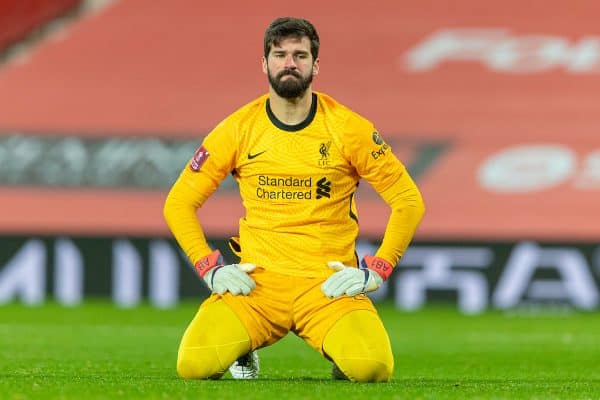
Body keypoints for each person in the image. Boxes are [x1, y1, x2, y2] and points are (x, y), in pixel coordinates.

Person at [163, 16, 425, 382]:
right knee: (194, 366)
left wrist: (377, 269)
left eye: (300, 55)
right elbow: (178, 203)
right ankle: (245, 348)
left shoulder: (348, 128)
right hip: (257, 286)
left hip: (326, 286)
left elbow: (408, 201)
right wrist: (210, 268)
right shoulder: (238, 128)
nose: (290, 63)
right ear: (265, 64)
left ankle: (339, 350)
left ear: (316, 65)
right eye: (280, 54)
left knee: (372, 369)